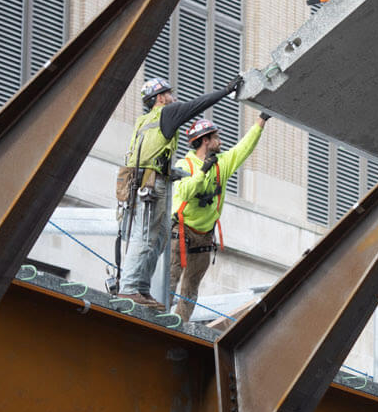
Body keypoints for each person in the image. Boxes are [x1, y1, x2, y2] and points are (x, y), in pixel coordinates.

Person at [115, 75, 241, 310]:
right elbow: (196, 105)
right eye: (169, 94)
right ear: (160, 98)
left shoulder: (144, 121)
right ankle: (130, 288)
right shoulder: (166, 113)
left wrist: (174, 173)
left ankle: (142, 288)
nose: (174, 98)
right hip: (150, 185)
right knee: (145, 237)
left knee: (160, 237)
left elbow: (150, 155)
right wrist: (225, 91)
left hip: (151, 181)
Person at [168, 111, 270, 319]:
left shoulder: (221, 164)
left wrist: (261, 121)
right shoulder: (183, 166)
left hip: (204, 235)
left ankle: (178, 323)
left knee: (191, 287)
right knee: (170, 279)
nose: (220, 141)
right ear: (205, 141)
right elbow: (186, 192)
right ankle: (158, 315)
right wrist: (202, 172)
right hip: (181, 230)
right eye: (215, 137)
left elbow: (244, 148)